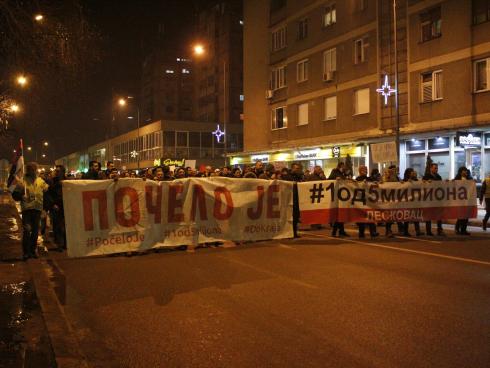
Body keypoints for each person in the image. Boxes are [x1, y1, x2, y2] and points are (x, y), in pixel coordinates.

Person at [16, 162, 49, 260]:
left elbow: (47, 190)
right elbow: (15, 195)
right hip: (27, 209)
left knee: (35, 231)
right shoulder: (22, 181)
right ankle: (26, 252)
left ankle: (33, 251)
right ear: (28, 170)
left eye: (35, 169)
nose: (34, 171)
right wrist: (21, 196)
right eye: (31, 170)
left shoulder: (40, 181)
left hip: (37, 209)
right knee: (27, 230)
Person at [46, 165, 67, 251]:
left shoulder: (68, 181)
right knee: (57, 226)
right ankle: (59, 244)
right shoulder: (52, 182)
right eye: (56, 171)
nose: (57, 173)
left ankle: (65, 244)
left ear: (63, 172)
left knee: (66, 226)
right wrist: (52, 204)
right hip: (56, 206)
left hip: (66, 206)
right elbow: (48, 194)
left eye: (58, 171)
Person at [356, 165, 378, 238]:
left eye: (366, 169)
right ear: (360, 171)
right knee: (361, 217)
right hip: (361, 201)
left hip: (369, 201)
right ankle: (361, 233)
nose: (366, 170)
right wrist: (362, 182)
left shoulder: (369, 178)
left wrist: (376, 182)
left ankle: (373, 231)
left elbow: (375, 184)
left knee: (371, 216)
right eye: (364, 169)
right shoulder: (357, 179)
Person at [422, 163, 445, 236]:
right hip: (429, 199)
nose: (436, 169)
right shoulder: (426, 176)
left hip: (437, 199)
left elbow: (441, 186)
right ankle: (428, 231)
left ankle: (439, 230)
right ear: (431, 169)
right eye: (435, 168)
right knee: (428, 215)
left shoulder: (439, 177)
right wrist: (426, 182)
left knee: (439, 215)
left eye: (437, 168)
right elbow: (422, 185)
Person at [284, 162, 304, 238]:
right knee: (289, 217)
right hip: (288, 199)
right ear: (292, 168)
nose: (298, 170)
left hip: (296, 199)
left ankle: (294, 232)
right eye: (296, 168)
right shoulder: (286, 176)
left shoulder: (298, 177)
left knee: (295, 217)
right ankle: (288, 232)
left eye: (298, 168)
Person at [328, 162, 348, 237]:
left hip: (342, 195)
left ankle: (341, 231)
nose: (344, 167)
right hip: (336, 195)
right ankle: (335, 231)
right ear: (340, 166)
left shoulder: (343, 173)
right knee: (338, 214)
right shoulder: (334, 172)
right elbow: (329, 179)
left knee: (341, 214)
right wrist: (335, 179)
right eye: (343, 166)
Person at [402, 168, 423, 236]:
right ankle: (405, 231)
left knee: (416, 216)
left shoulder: (415, 180)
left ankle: (417, 231)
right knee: (407, 217)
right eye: (411, 172)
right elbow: (401, 187)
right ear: (408, 173)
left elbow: (420, 185)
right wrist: (406, 182)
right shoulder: (404, 180)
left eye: (413, 171)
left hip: (415, 201)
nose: (413, 173)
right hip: (407, 201)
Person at [454, 166, 471, 235]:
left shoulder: (469, 178)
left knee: (466, 216)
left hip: (467, 200)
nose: (465, 172)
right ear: (461, 172)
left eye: (466, 170)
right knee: (460, 216)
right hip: (460, 200)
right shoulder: (457, 178)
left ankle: (464, 230)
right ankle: (457, 229)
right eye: (464, 170)